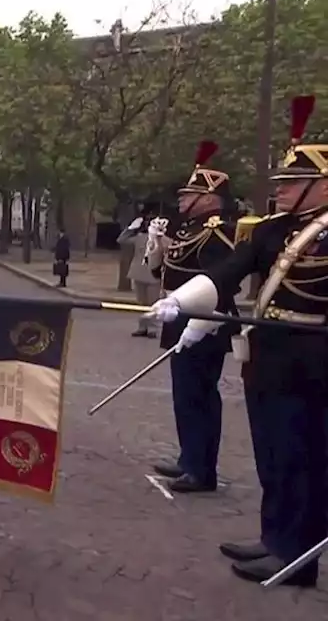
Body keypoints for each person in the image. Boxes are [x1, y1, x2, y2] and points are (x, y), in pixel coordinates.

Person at [145, 95, 325, 587]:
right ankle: (275, 539)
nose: (282, 190)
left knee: (304, 458)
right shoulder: (272, 231)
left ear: (322, 185)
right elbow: (230, 269)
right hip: (269, 357)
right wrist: (182, 301)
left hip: (315, 362)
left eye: (293, 183)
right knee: (273, 453)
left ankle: (297, 555)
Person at [148, 141, 238, 494]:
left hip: (205, 322)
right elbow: (167, 274)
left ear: (209, 198)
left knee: (199, 394)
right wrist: (156, 248)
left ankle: (202, 470)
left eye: (190, 195)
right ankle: (189, 458)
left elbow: (221, 280)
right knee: (184, 395)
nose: (182, 200)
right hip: (178, 316)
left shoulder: (218, 230)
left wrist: (199, 319)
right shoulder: (187, 229)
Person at [118, 208, 163, 338]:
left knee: (153, 304)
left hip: (154, 274)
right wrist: (131, 228)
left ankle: (152, 329)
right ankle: (142, 327)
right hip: (139, 272)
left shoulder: (161, 238)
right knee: (141, 303)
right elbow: (121, 240)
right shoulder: (139, 237)